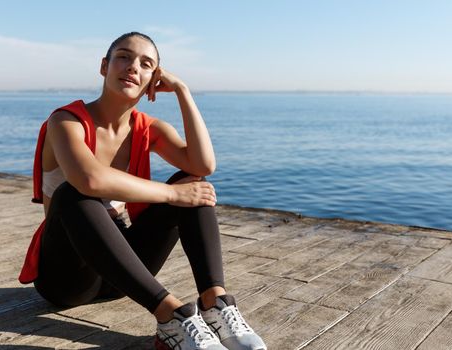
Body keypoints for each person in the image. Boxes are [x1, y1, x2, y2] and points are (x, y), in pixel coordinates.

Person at [18, 32, 267, 350]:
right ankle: (172, 316)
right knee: (73, 193)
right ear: (104, 66)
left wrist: (182, 91)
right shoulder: (66, 121)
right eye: (123, 57)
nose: (132, 67)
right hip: (67, 278)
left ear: (153, 79)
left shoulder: (148, 128)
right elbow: (89, 180)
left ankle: (215, 302)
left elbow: (203, 165)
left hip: (120, 274)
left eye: (145, 64)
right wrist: (171, 194)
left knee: (193, 183)